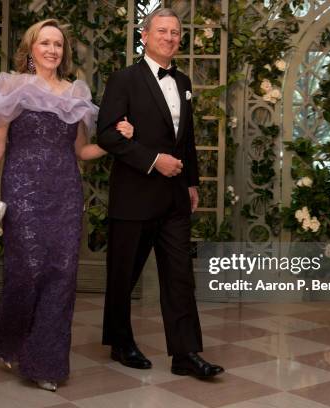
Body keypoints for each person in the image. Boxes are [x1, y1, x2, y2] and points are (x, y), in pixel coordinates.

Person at [0, 19, 134, 391]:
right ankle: (6, 336)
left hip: (64, 191)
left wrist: (117, 139)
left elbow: (81, 151)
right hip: (23, 190)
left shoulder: (75, 93)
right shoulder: (12, 86)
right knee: (26, 271)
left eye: (57, 44)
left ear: (64, 52)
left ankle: (46, 363)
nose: (51, 50)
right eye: (44, 43)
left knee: (62, 276)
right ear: (30, 49)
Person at [97, 8, 224, 378]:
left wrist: (192, 181)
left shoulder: (183, 80)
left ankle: (185, 354)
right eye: (162, 31)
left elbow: (186, 139)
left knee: (180, 276)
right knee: (123, 276)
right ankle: (120, 342)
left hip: (174, 198)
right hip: (134, 196)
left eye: (175, 32)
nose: (169, 37)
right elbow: (105, 134)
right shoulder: (123, 80)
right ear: (145, 35)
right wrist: (154, 160)